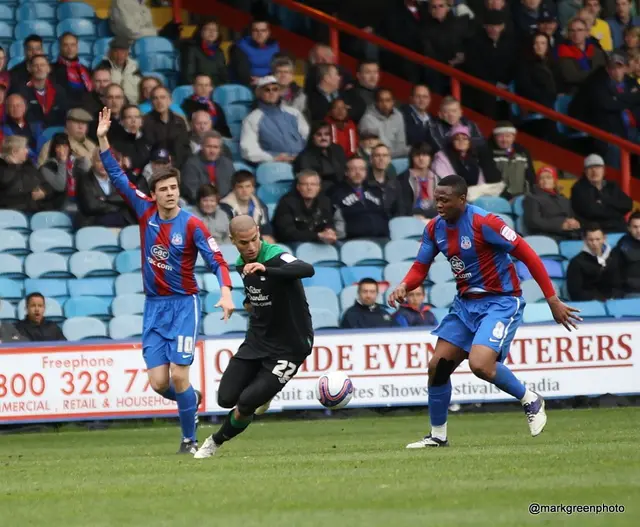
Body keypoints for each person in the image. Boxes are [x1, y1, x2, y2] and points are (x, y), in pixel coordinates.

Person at [388, 175, 580, 447]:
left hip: (501, 301)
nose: (438, 204)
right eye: (436, 198)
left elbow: (528, 255)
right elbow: (421, 267)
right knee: (437, 367)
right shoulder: (434, 229)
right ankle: (438, 436)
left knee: (480, 364)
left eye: (444, 199)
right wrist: (405, 285)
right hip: (465, 305)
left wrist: (552, 299)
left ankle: (530, 399)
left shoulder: (485, 223)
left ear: (462, 199)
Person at [96, 107, 234, 454]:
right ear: (154, 193)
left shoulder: (192, 224)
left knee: (178, 375)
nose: (171, 193)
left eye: (174, 187)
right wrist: (101, 138)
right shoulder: (145, 212)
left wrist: (227, 292)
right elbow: (116, 175)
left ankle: (189, 441)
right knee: (159, 383)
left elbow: (216, 259)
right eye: (164, 189)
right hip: (154, 307)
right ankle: (191, 400)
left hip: (184, 305)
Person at [194, 216, 315, 459]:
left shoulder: (275, 255)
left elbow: (306, 269)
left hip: (291, 345)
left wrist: (267, 269)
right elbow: (258, 293)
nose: (250, 247)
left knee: (247, 403)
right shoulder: (240, 264)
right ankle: (264, 391)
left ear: (259, 233)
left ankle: (214, 442)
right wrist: (249, 303)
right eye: (243, 243)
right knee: (225, 398)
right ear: (233, 241)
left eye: (254, 240)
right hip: (258, 340)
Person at [240, 76, 308, 164]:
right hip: (275, 164)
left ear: (279, 92)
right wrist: (272, 157)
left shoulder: (294, 113)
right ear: (259, 93)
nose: (271, 92)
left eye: (275, 89)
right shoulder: (252, 118)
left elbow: (307, 136)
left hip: (301, 160)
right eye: (267, 90)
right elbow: (248, 149)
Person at [272, 169, 337, 244]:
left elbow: (329, 222)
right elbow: (287, 233)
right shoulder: (286, 202)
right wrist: (317, 235)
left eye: (313, 184)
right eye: (305, 184)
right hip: (291, 244)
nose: (309, 188)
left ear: (319, 187)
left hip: (318, 242)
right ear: (298, 187)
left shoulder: (325, 201)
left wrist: (329, 230)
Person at [570, 154, 633, 232]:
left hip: (618, 228)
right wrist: (616, 210)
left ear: (604, 170)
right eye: (590, 168)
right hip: (594, 232)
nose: (594, 171)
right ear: (585, 171)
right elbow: (592, 212)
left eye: (598, 167)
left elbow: (628, 204)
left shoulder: (611, 185)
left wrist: (604, 201)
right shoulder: (578, 188)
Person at [523, 166, 582, 239]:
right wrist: (560, 225)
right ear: (538, 182)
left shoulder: (563, 198)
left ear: (554, 181)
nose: (545, 181)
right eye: (541, 178)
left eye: (548, 178)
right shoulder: (532, 198)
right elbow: (533, 221)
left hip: (570, 234)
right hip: (547, 236)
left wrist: (575, 223)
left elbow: (572, 216)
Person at [567, 225, 621, 301]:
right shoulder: (576, 262)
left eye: (598, 239)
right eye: (591, 240)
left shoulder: (614, 257)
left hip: (614, 301)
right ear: (585, 240)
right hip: (590, 303)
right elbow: (575, 292)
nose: (595, 243)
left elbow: (619, 284)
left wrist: (614, 297)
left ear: (604, 238)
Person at [219, 170, 275, 242]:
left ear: (253, 188)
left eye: (248, 186)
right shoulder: (224, 207)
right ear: (234, 189)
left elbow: (266, 230)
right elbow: (230, 234)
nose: (244, 190)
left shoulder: (261, 206)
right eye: (240, 187)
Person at [180, 131, 234, 204]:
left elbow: (233, 189)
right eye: (208, 146)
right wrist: (212, 202)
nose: (212, 151)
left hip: (225, 204)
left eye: (215, 147)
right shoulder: (190, 165)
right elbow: (193, 193)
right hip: (200, 205)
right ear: (202, 146)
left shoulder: (227, 164)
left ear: (220, 149)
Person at [359, 88, 410, 158]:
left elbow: (401, 142)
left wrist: (403, 153)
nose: (385, 104)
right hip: (377, 158)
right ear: (376, 103)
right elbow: (373, 150)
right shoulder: (367, 119)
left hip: (397, 157)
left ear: (393, 102)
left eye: (388, 100)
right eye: (381, 101)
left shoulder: (398, 115)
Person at [229, 19, 280, 87]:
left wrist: (264, 80)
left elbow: (278, 70)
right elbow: (243, 74)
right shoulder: (240, 47)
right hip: (245, 87)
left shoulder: (275, 48)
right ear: (251, 33)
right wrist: (263, 81)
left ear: (268, 32)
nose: (260, 34)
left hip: (268, 85)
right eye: (256, 30)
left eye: (263, 30)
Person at [180, 74, 231, 138]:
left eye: (206, 85)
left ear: (211, 88)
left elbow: (224, 129)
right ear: (193, 87)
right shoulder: (186, 106)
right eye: (200, 85)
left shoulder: (216, 106)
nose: (203, 88)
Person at [181, 20, 229, 86]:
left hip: (216, 89)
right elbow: (188, 76)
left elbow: (224, 76)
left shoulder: (219, 52)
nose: (212, 32)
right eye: (208, 29)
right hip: (197, 88)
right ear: (201, 32)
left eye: (215, 30)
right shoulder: (191, 49)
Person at [612, 211, 640, 297]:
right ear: (629, 228)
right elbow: (616, 274)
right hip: (631, 292)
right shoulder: (622, 246)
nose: (639, 230)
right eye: (635, 227)